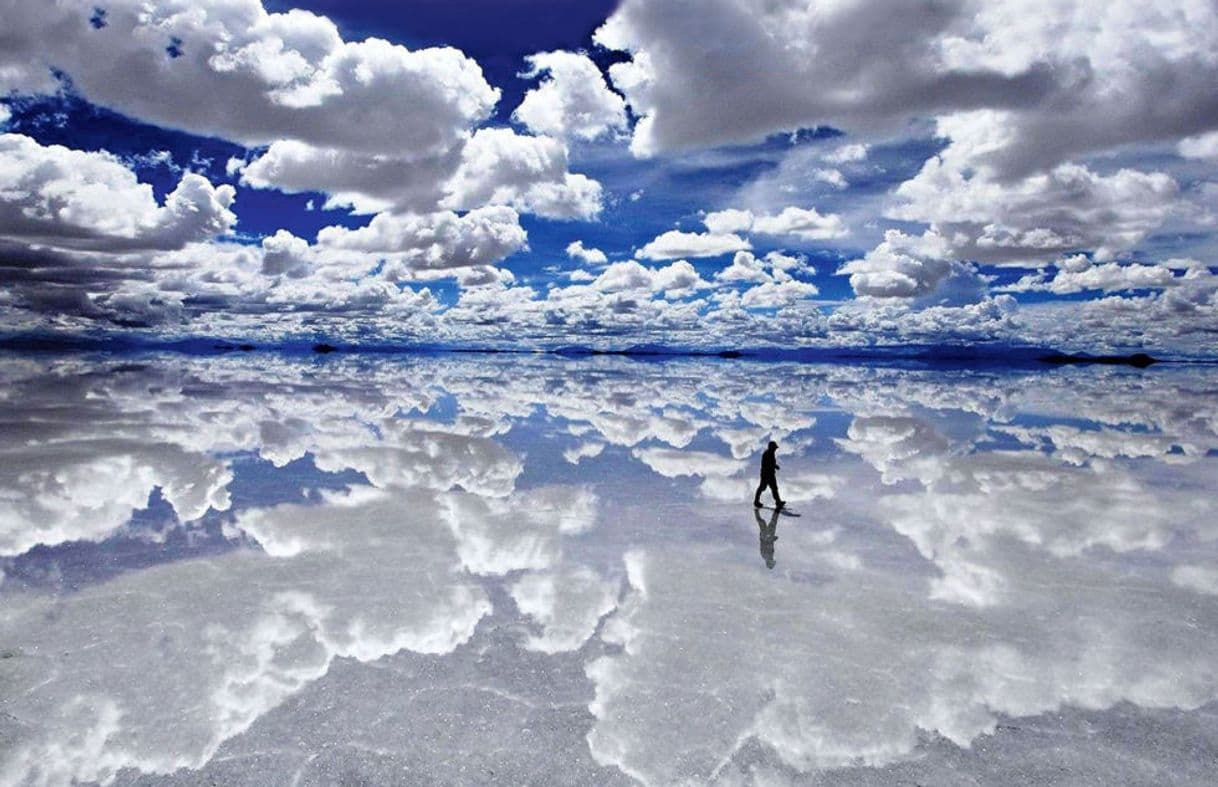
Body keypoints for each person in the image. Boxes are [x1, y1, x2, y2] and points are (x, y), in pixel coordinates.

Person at [753, 440, 784, 509]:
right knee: (762, 487)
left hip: (770, 474)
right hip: (766, 475)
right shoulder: (767, 454)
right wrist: (774, 466)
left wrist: (775, 466)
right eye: (775, 448)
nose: (775, 449)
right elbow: (767, 465)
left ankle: (778, 502)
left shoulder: (771, 453)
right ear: (771, 448)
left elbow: (771, 463)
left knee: (774, 488)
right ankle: (756, 501)